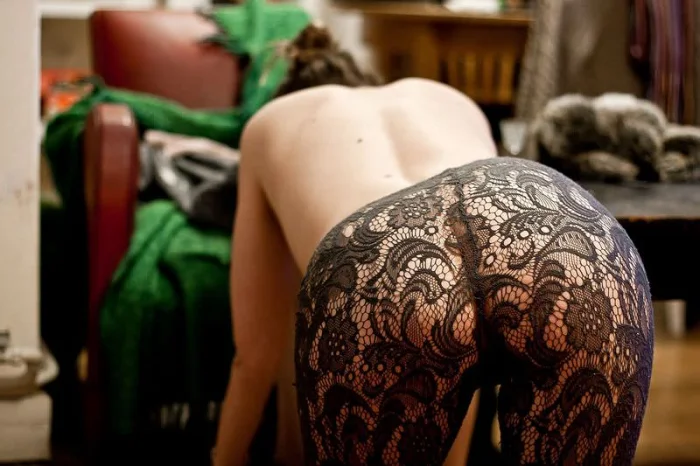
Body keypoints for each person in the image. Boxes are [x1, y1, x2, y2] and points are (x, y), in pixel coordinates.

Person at [213, 24, 654, 466]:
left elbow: (253, 360)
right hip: (555, 220)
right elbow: (472, 301)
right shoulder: (445, 96)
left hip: (378, 255)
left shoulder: (265, 124)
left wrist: (223, 456)